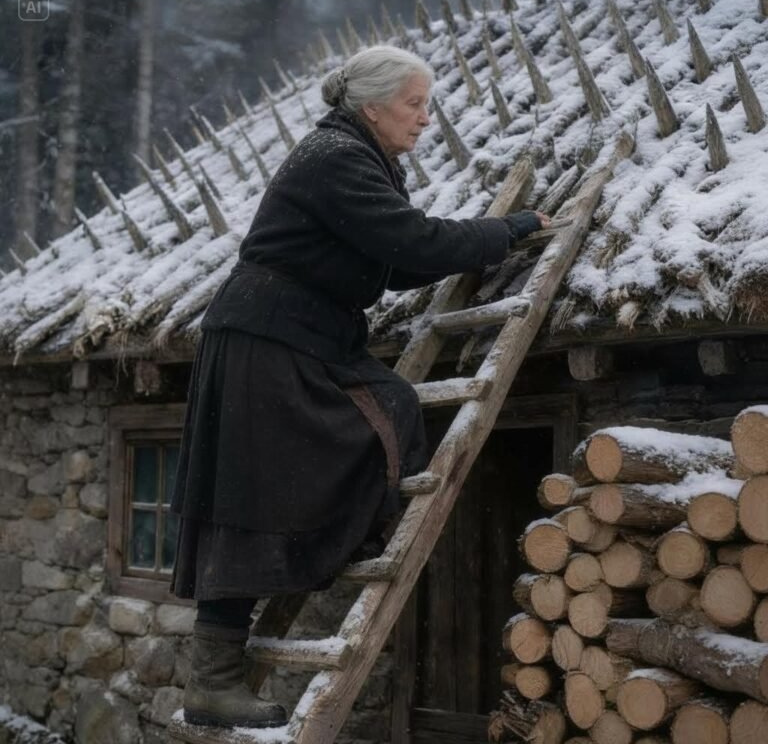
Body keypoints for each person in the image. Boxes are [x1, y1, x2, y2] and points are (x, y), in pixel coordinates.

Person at [169, 44, 551, 729]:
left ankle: (345, 540)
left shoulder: (354, 157)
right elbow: (413, 243)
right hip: (269, 336)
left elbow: (391, 262)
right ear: (372, 105)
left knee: (391, 408)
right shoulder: (337, 159)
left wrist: (488, 240)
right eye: (414, 105)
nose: (425, 119)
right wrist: (506, 230)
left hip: (298, 332)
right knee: (251, 490)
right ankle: (215, 679)